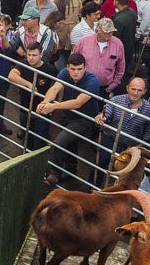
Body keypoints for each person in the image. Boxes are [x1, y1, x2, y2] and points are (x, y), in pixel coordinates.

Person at [38, 52, 103, 188]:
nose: (76, 72)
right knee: (70, 144)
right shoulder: (64, 73)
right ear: (67, 67)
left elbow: (78, 102)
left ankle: (54, 174)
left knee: (60, 142)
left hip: (84, 119)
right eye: (73, 69)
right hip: (67, 115)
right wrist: (45, 102)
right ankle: (70, 171)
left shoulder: (92, 81)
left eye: (79, 69)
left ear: (85, 67)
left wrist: (53, 106)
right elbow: (55, 88)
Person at [96, 76, 150, 169]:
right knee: (99, 165)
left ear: (144, 91)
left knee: (122, 171)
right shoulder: (115, 100)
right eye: (133, 89)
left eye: (139, 90)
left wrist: (138, 146)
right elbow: (107, 113)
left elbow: (148, 131)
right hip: (109, 140)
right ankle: (94, 183)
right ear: (127, 88)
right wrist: (102, 117)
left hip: (130, 147)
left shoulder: (149, 109)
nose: (135, 93)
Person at [8, 42, 59, 148]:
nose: (31, 58)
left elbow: (59, 84)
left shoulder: (49, 69)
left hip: (42, 110)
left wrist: (56, 104)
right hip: (25, 108)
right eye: (29, 54)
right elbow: (11, 75)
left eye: (34, 55)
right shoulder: (23, 64)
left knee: (40, 140)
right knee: (28, 137)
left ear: (41, 55)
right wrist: (28, 84)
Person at [73, 18, 126, 96]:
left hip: (104, 89)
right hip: (83, 85)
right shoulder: (84, 41)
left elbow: (121, 67)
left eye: (111, 31)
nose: (110, 34)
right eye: (107, 32)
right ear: (98, 30)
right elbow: (74, 60)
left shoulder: (118, 44)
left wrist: (113, 85)